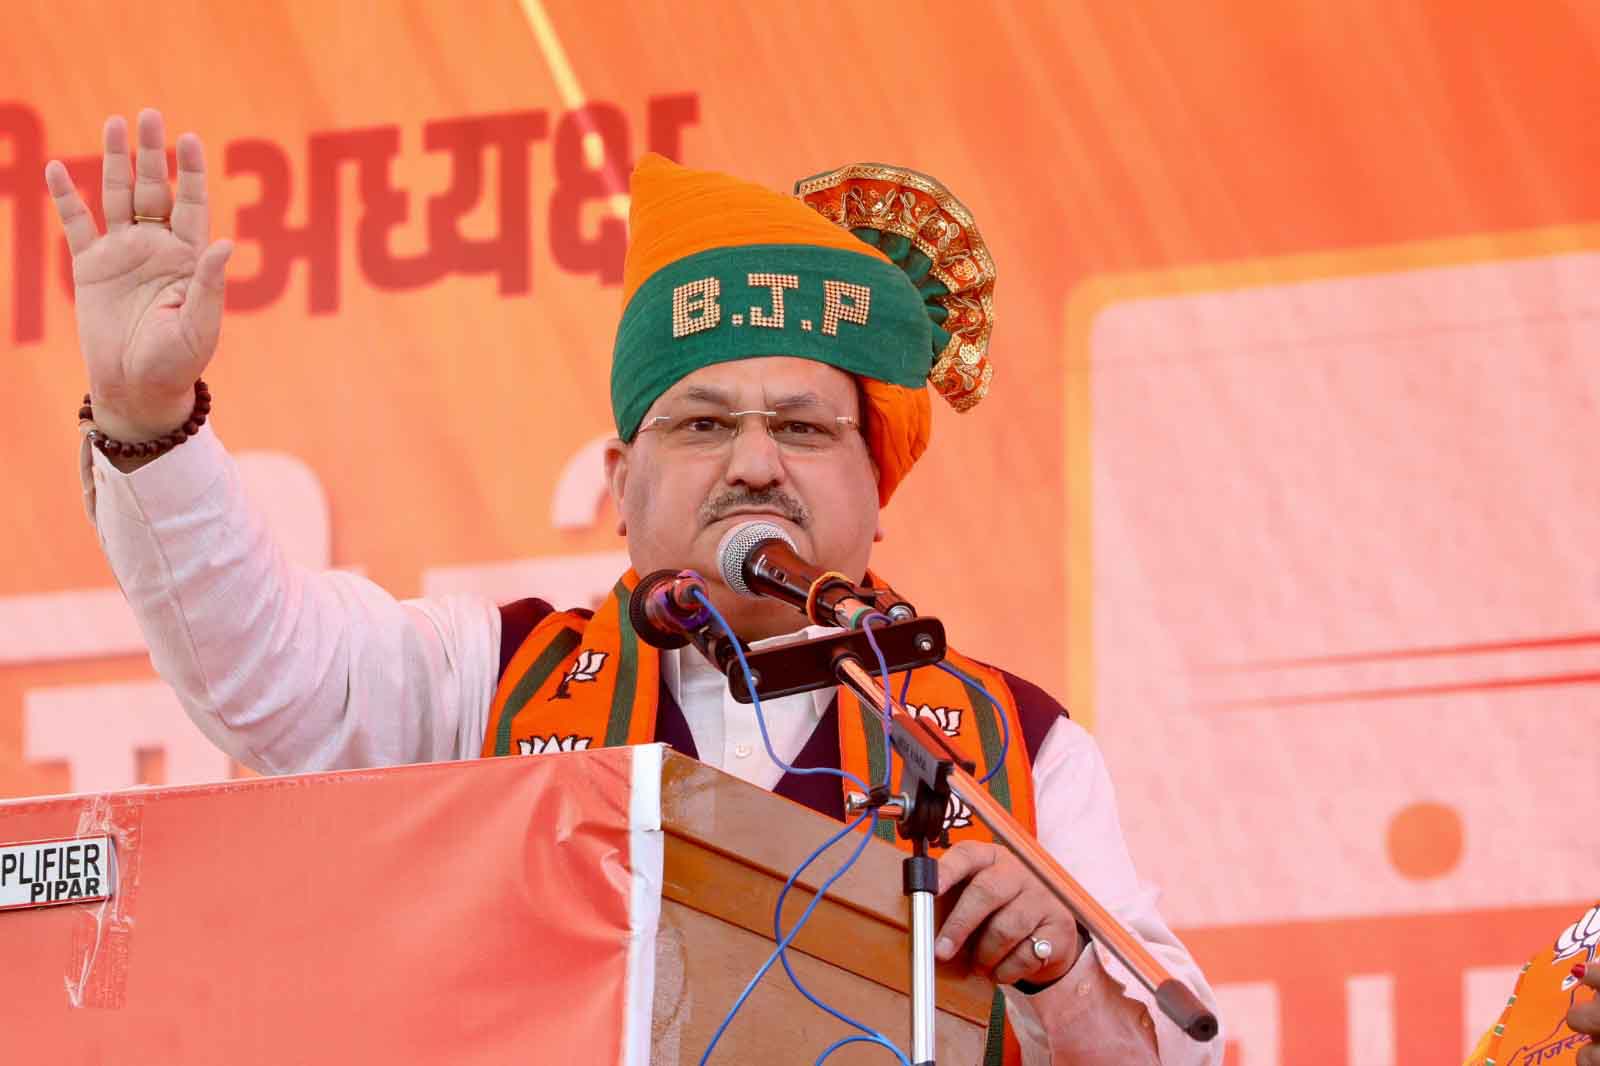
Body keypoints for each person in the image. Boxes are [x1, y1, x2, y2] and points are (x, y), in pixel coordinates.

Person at [45, 107, 1220, 1065]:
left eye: (803, 429)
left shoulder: (1015, 750)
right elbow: (261, 669)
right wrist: (150, 422)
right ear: (621, 480)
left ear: (878, 489)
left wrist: (1058, 968)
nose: (753, 461)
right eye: (702, 421)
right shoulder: (486, 683)